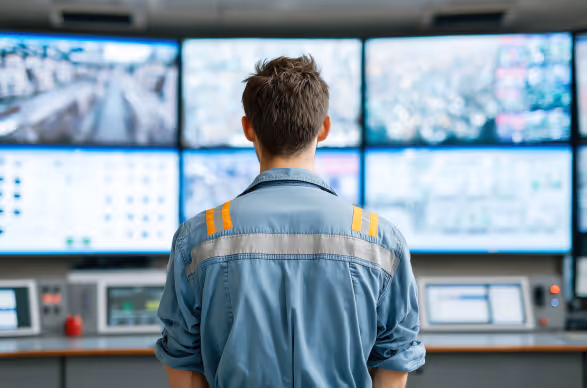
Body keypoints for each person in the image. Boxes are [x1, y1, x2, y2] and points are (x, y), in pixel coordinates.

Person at [155, 55, 425, 388]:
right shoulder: (380, 239)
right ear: (324, 128)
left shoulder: (198, 238)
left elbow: (182, 362)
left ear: (248, 128)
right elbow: (396, 358)